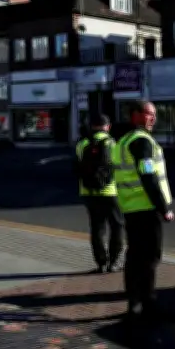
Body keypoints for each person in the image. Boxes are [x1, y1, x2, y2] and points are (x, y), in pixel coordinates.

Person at [111, 100, 175, 328]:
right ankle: (145, 303)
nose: (153, 118)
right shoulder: (141, 142)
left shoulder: (124, 141)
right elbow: (148, 176)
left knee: (135, 257)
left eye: (154, 114)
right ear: (135, 115)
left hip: (131, 208)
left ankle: (135, 303)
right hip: (146, 209)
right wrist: (163, 207)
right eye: (149, 114)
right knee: (149, 257)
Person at [75, 113, 124, 273]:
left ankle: (101, 263)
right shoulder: (112, 143)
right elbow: (118, 166)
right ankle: (114, 262)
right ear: (107, 127)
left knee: (97, 228)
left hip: (88, 191)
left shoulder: (82, 144)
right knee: (117, 226)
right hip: (109, 191)